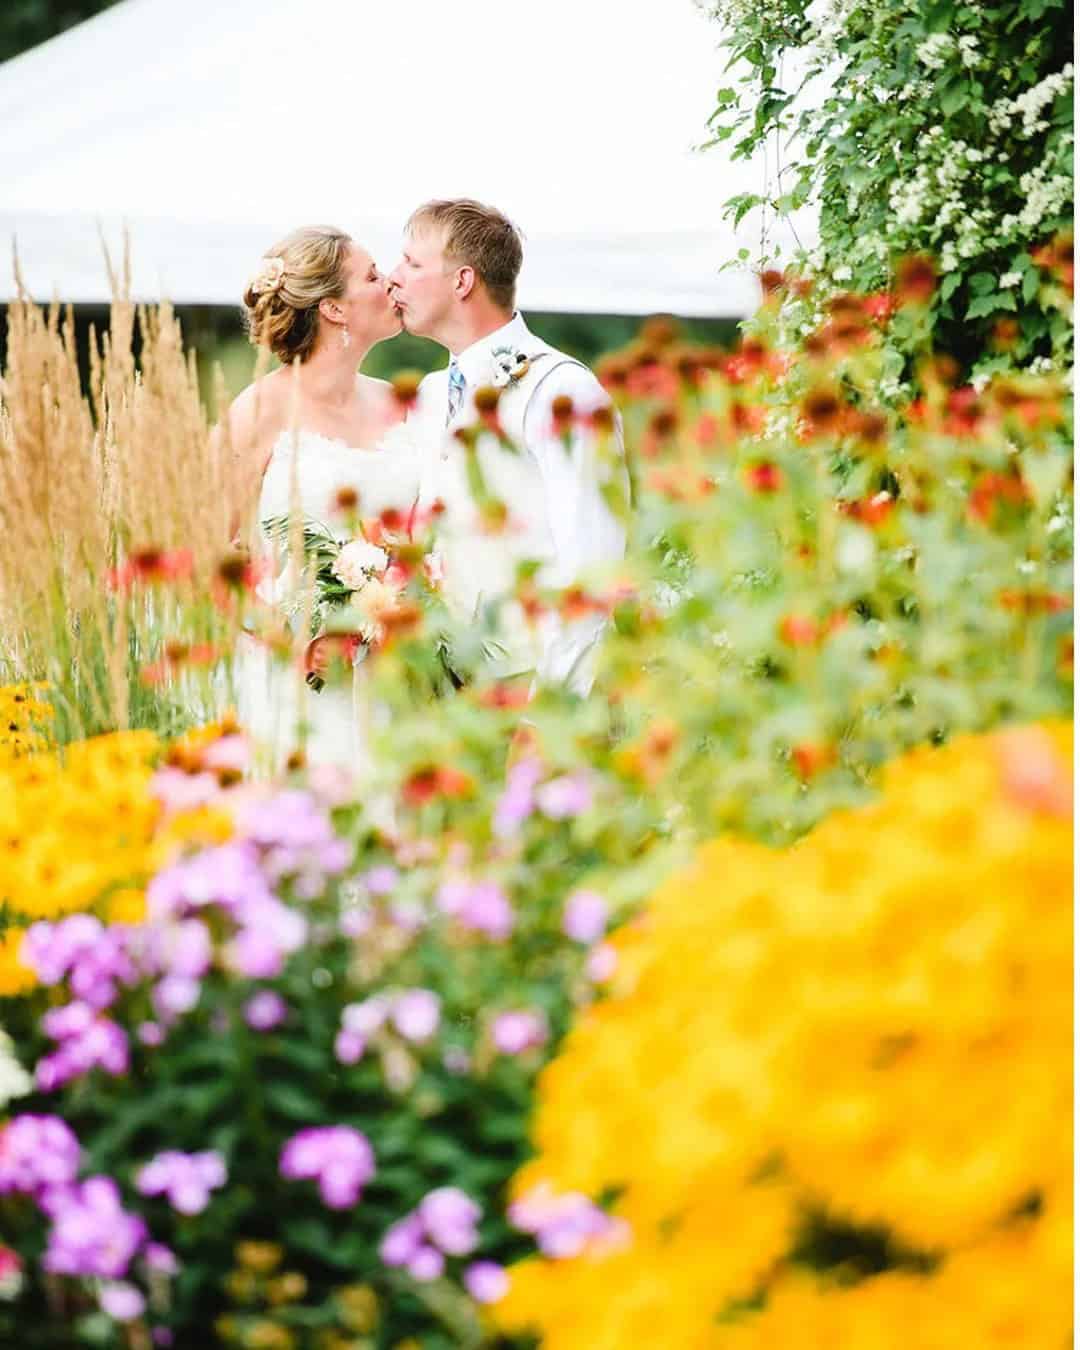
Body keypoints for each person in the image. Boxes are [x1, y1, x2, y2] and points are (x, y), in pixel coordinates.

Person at [387, 199, 628, 695]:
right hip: (448, 694)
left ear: (462, 281)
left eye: (412, 263)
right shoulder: (430, 395)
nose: (393, 277)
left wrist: (552, 710)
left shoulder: (562, 391)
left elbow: (593, 560)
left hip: (538, 687)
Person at [226, 224, 420, 772]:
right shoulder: (257, 411)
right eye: (373, 275)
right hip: (293, 684)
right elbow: (210, 563)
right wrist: (293, 638)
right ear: (333, 308)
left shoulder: (401, 406)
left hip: (392, 675)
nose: (391, 285)